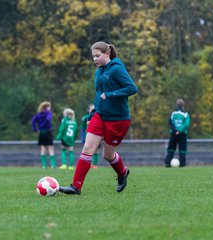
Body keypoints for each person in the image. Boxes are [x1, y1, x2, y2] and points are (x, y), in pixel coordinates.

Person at [59, 41, 138, 195]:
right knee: (87, 148)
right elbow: (98, 94)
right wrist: (93, 112)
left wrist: (110, 95)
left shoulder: (116, 69)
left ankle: (122, 173)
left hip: (118, 119)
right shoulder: (99, 72)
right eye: (93, 56)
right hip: (100, 116)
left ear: (107, 54)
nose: (95, 59)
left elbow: (132, 88)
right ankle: (76, 187)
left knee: (108, 155)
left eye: (98, 56)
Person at [164, 99, 190, 168]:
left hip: (173, 133)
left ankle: (167, 162)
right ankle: (182, 164)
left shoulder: (173, 113)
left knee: (171, 148)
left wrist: (175, 130)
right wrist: (179, 130)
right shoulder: (185, 114)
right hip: (182, 134)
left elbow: (170, 122)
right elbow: (186, 124)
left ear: (177, 105)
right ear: (183, 105)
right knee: (182, 149)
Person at [32, 101, 56, 169]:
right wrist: (49, 127)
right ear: (47, 107)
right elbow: (48, 119)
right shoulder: (48, 113)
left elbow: (33, 122)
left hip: (41, 132)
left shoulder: (38, 114)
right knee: (51, 148)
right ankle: (53, 165)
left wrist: (36, 130)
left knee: (43, 149)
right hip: (48, 132)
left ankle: (44, 166)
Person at [80, 104, 99, 169]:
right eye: (91, 109)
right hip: (87, 136)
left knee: (95, 150)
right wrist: (82, 137)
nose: (92, 110)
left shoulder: (98, 117)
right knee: (87, 151)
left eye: (94, 109)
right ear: (88, 110)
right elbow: (82, 128)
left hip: (96, 135)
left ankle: (94, 164)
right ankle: (88, 164)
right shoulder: (85, 117)